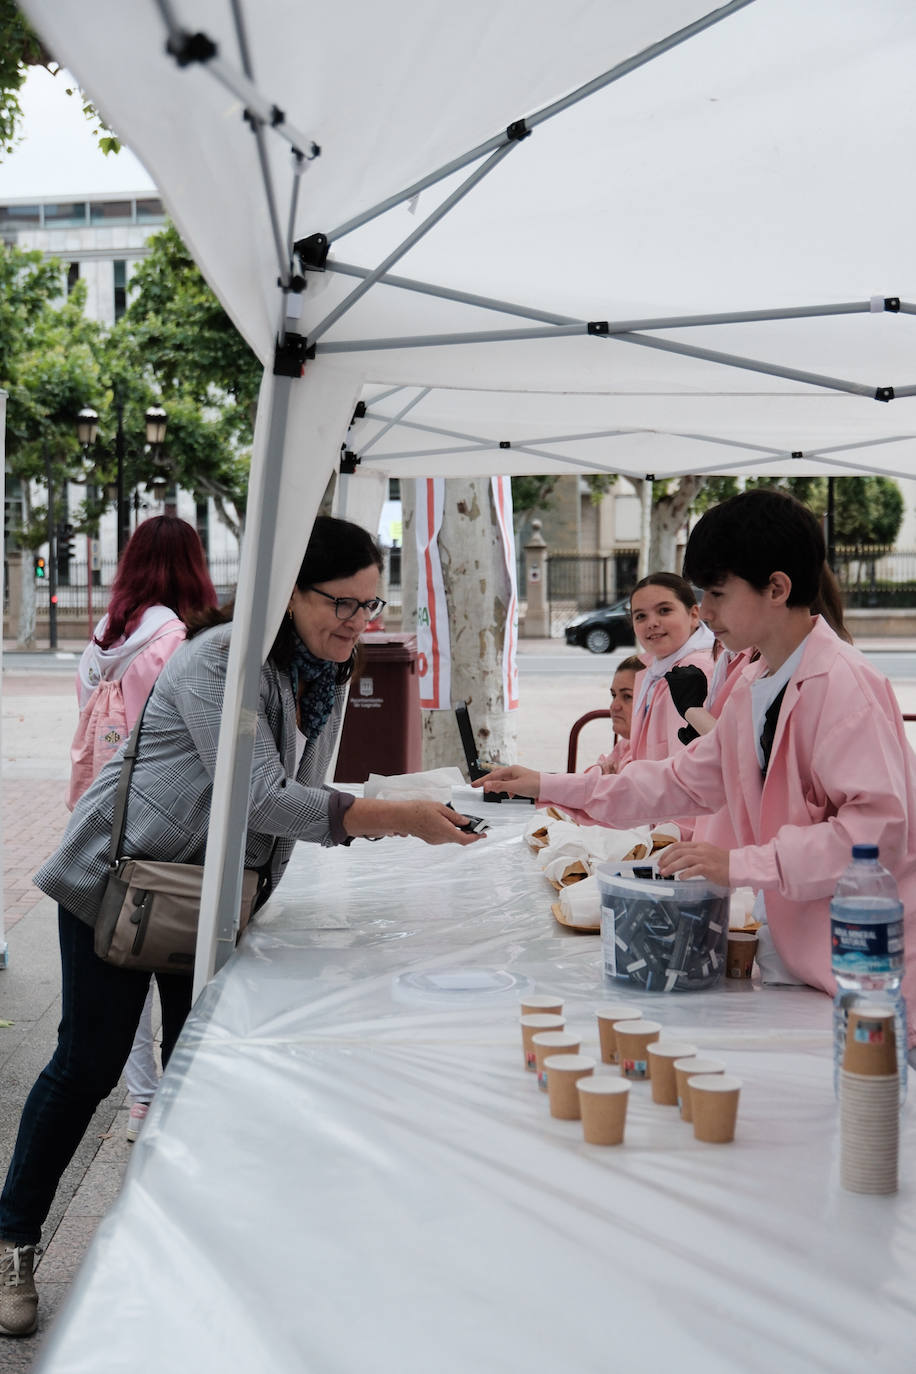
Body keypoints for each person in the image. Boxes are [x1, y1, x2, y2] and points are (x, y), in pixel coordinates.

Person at [0, 515, 481, 1338]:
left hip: (212, 897)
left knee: (200, 1078)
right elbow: (259, 794)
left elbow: (302, 798)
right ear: (288, 591)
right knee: (90, 1064)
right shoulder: (223, 660)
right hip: (119, 881)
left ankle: (178, 1243)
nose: (355, 623)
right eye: (340, 604)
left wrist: (264, 900)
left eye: (369, 607)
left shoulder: (323, 673)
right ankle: (13, 1241)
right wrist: (395, 817)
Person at [474, 488, 916, 1049]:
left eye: (716, 594)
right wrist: (547, 785)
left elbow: (875, 835)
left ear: (777, 588)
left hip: (874, 968)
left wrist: (740, 863)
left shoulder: (844, 686)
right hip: (808, 960)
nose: (703, 613)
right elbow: (679, 779)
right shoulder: (755, 683)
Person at [68, 516, 219, 1146]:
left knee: (119, 959)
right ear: (192, 565)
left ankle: (140, 1099)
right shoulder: (174, 644)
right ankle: (174, 1107)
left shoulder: (104, 640)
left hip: (95, 818)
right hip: (158, 828)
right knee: (175, 966)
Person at [627, 573, 714, 763]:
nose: (652, 623)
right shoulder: (652, 670)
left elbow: (682, 761)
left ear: (693, 615)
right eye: (641, 616)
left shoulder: (695, 671)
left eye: (664, 610)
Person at [587, 654, 644, 774]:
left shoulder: (650, 757)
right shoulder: (626, 744)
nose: (614, 706)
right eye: (614, 695)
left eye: (627, 696)